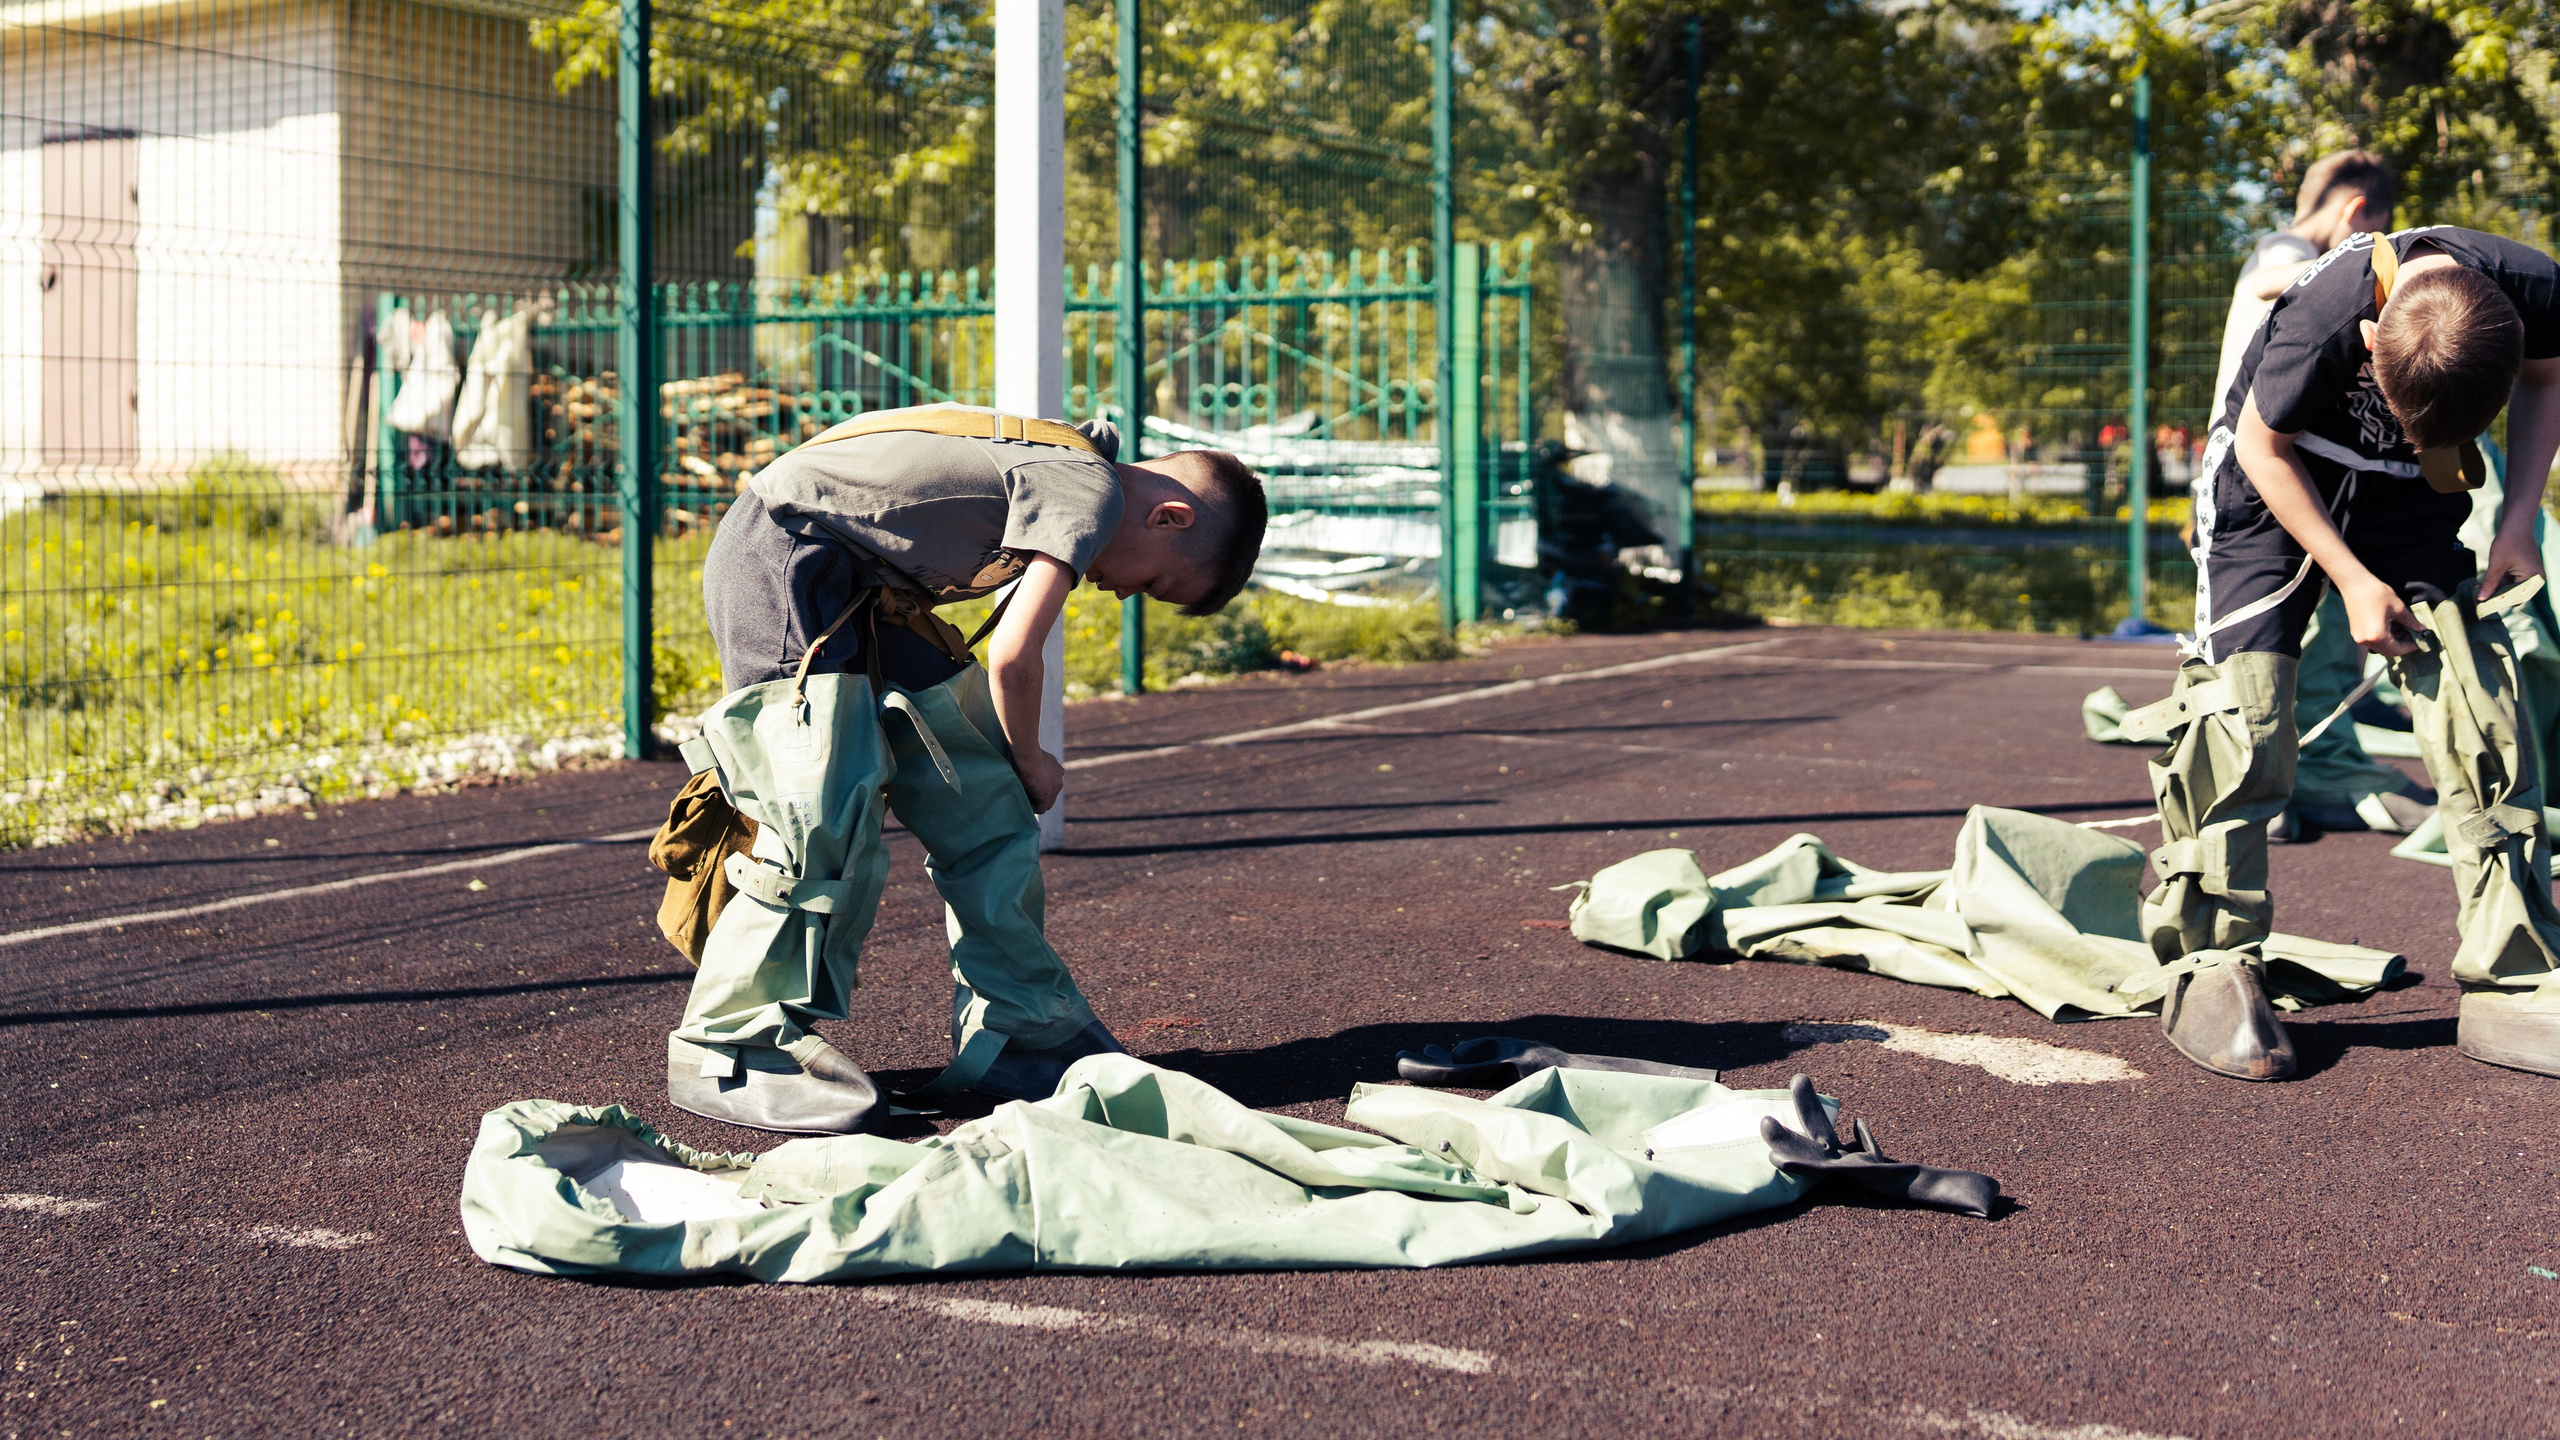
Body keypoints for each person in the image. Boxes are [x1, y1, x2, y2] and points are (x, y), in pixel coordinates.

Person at [662, 403, 1266, 1133]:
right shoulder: (1090, 489)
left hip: (872, 584)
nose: (1126, 592)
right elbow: (1014, 653)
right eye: (1156, 585)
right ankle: (730, 1043)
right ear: (1169, 518)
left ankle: (1020, 1030)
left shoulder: (1069, 464)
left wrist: (1009, 768)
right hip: (787, 554)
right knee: (819, 804)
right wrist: (1033, 757)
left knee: (980, 794)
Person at [2126, 221, 2560, 1083]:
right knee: (2242, 715)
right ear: (2370, 339)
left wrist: (2518, 520)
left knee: (2480, 702)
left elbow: (2550, 380)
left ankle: (2516, 970)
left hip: (2414, 485)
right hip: (2276, 478)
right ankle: (2212, 957)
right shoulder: (2326, 311)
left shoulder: (2536, 288)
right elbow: (2261, 446)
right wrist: (2352, 581)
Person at [2203, 151, 2435, 843]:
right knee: (2261, 640)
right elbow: (2271, 287)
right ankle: (2254, 787)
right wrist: (2373, 259)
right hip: (2251, 467)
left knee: (2322, 633)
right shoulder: (2288, 251)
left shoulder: (2298, 250)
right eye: (2370, 234)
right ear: (2356, 214)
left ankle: (2300, 774)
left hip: (2293, 459)